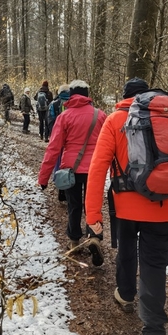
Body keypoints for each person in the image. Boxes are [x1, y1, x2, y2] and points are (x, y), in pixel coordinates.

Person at [85, 78, 168, 335]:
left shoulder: (115, 120)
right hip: (164, 205)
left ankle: (126, 294)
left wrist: (93, 215)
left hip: (125, 206)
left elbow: (97, 168)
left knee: (127, 249)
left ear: (125, 97)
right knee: (154, 265)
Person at [38, 80, 107, 263]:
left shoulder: (65, 117)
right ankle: (94, 236)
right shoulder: (100, 116)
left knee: (74, 205)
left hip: (71, 168)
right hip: (95, 168)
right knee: (92, 205)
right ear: (87, 94)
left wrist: (44, 177)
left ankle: (74, 240)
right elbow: (109, 145)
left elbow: (53, 149)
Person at [48, 84, 70, 201]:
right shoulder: (73, 104)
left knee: (59, 164)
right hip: (71, 141)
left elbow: (50, 120)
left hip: (58, 140)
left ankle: (61, 188)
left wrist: (52, 136)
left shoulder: (54, 104)